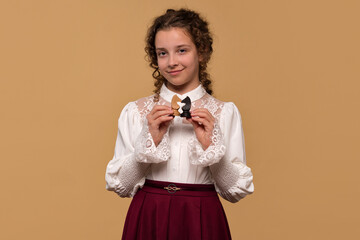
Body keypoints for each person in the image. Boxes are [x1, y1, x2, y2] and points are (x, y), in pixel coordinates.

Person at [105, 8, 254, 239]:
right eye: (162, 53)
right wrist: (149, 141)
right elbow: (122, 186)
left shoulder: (224, 113)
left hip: (201, 216)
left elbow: (234, 191)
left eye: (181, 50)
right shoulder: (137, 112)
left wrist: (210, 147)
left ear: (201, 52)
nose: (172, 62)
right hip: (149, 215)